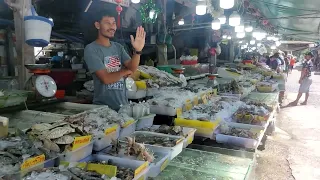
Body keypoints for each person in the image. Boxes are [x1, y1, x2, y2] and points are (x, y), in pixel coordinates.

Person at [84, 11, 146, 111]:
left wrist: (138, 51)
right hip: (103, 108)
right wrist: (124, 71)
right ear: (97, 25)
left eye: (114, 23)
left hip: (123, 106)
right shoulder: (91, 49)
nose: (112, 27)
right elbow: (106, 79)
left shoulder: (118, 47)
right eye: (107, 23)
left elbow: (132, 68)